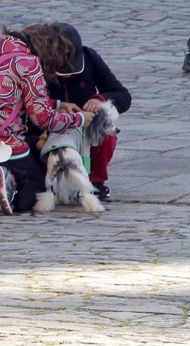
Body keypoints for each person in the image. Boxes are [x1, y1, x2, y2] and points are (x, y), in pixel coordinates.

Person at [21, 22, 131, 201]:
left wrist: (99, 100)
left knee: (105, 133)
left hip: (84, 130)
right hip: (46, 130)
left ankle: (95, 182)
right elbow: (24, 104)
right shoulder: (33, 66)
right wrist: (57, 106)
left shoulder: (90, 58)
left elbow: (123, 96)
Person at [0, 24, 90, 215]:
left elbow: (10, 93)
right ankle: (6, 177)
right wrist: (80, 119)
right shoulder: (28, 63)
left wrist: (56, 104)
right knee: (34, 193)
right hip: (6, 140)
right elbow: (42, 118)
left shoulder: (4, 44)